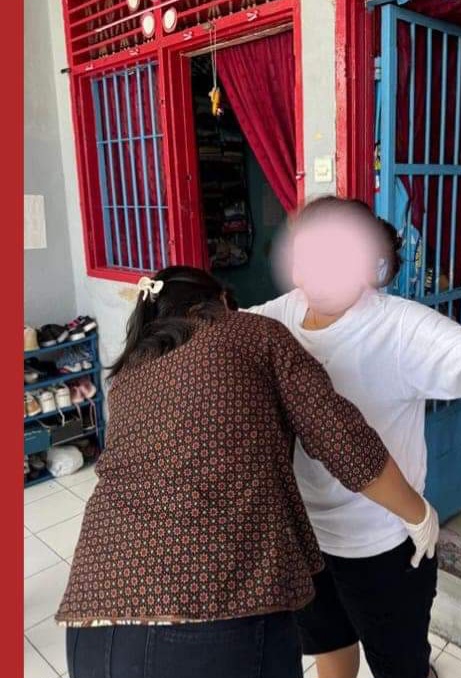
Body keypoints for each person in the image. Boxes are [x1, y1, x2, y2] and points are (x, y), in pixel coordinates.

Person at [56, 267, 438, 678]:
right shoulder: (254, 333)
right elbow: (341, 439)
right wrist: (418, 514)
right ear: (221, 300)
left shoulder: (130, 371)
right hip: (213, 614)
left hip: (93, 622)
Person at [247, 196, 461, 678]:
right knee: (328, 641)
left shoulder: (400, 329)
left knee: (399, 662)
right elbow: (212, 338)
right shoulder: (277, 317)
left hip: (383, 544)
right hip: (305, 535)